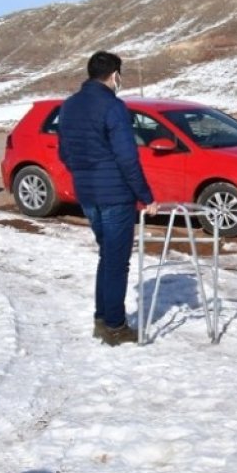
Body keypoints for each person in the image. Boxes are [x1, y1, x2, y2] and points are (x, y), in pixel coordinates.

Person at [58, 51, 159, 347]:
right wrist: (145, 196)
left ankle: (102, 318)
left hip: (87, 193)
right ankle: (115, 326)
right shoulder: (113, 107)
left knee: (107, 256)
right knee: (116, 262)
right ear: (114, 75)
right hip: (115, 195)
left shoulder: (70, 105)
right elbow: (127, 157)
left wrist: (85, 173)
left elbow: (64, 152)